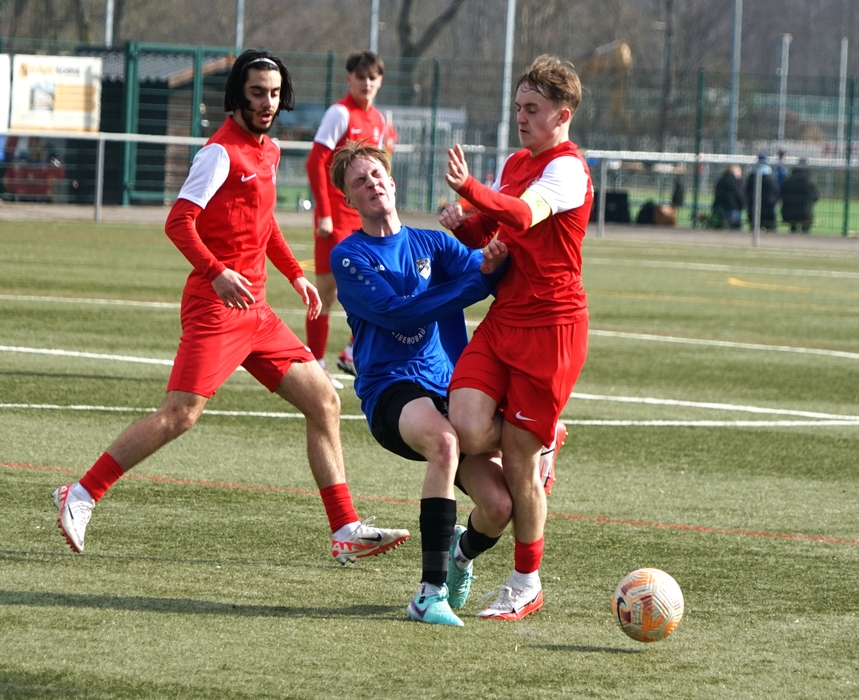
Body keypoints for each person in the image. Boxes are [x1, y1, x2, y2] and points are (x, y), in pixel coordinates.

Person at [51, 50, 409, 566]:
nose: (267, 102)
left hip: (257, 313)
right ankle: (81, 493)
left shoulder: (271, 150)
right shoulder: (219, 153)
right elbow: (178, 221)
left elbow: (263, 223)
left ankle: (345, 528)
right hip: (215, 309)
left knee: (324, 401)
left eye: (275, 93)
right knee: (180, 415)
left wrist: (295, 274)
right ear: (238, 95)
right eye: (257, 92)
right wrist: (217, 272)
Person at [329, 142, 520, 626]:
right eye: (359, 181)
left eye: (377, 175)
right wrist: (478, 281)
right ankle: (428, 595)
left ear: (392, 183)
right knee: (444, 441)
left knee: (499, 506)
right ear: (349, 200)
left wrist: (494, 247)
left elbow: (487, 268)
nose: (372, 184)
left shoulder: (432, 244)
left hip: (445, 386)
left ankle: (460, 554)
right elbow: (400, 313)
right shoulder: (348, 257)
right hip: (390, 389)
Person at [437, 54, 591, 621]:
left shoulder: (568, 170)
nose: (521, 117)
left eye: (532, 109)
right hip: (506, 319)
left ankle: (526, 582)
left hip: (552, 330)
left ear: (562, 115)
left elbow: (523, 216)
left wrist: (471, 188)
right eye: (519, 107)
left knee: (520, 460)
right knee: (466, 426)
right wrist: (463, 220)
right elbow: (494, 228)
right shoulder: (516, 161)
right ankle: (542, 437)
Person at [305, 50, 390, 386]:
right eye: (360, 77)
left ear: (380, 81)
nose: (366, 83)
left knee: (377, 283)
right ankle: (316, 365)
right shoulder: (339, 113)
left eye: (372, 77)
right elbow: (315, 161)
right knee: (327, 294)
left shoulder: (379, 120)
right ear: (349, 79)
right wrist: (324, 212)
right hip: (336, 221)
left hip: (361, 220)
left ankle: (353, 352)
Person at [779, 159, 819, 233]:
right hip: (806, 212)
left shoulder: (788, 181)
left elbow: (781, 194)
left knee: (793, 228)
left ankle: (793, 234)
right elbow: (816, 197)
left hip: (790, 213)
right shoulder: (810, 182)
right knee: (806, 229)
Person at [745, 153, 779, 231]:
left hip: (754, 205)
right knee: (770, 228)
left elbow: (747, 191)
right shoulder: (770, 177)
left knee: (754, 227)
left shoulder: (751, 176)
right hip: (768, 205)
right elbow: (775, 190)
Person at [711, 164, 744, 229]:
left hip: (723, 206)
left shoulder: (722, 179)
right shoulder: (733, 181)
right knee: (735, 227)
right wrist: (742, 203)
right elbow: (739, 194)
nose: (740, 173)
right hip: (733, 207)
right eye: (738, 171)